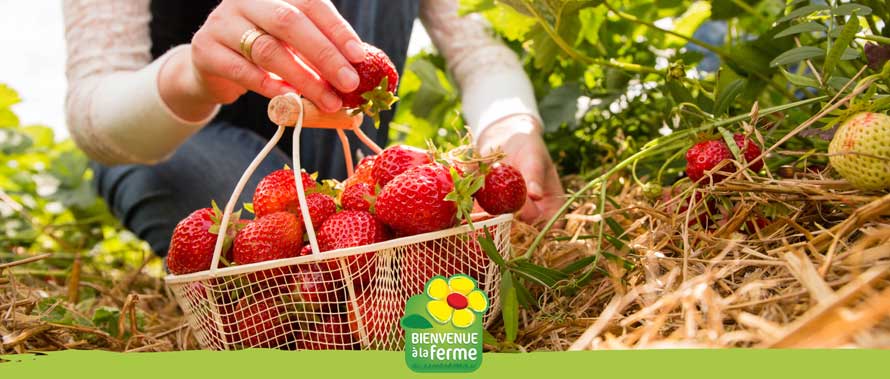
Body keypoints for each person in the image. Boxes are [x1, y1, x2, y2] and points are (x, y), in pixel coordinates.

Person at [62, 0, 563, 257]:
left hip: (341, 156)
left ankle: (348, 237)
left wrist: (510, 125)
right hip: (175, 143)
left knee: (330, 259)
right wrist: (191, 76)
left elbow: (476, 48)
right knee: (249, 235)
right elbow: (92, 110)